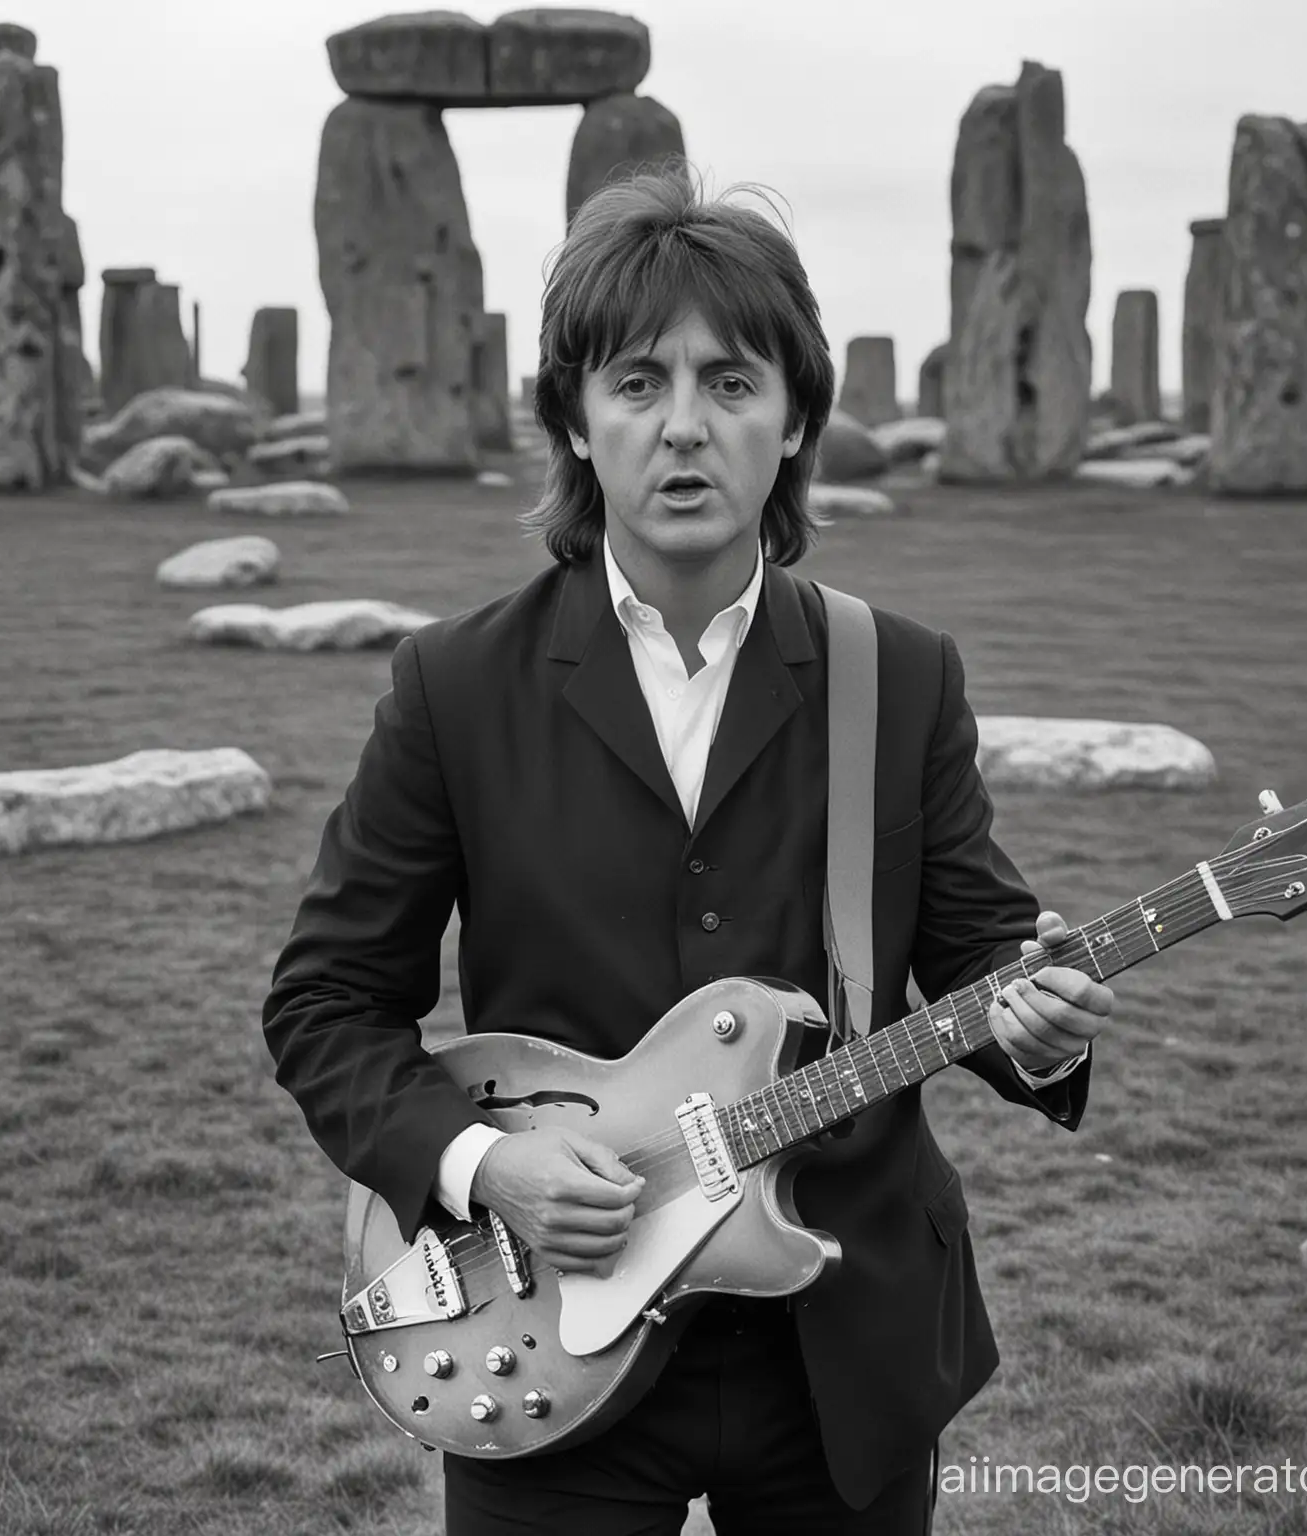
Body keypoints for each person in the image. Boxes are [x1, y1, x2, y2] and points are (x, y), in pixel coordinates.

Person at [262, 166, 1113, 1535]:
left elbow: (982, 960)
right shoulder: (455, 687)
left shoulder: (896, 674)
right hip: (542, 1329)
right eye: (638, 383)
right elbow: (324, 1005)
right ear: (576, 422)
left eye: (731, 384)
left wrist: (1045, 1026)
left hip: (841, 1342)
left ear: (792, 425)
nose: (683, 427)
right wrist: (488, 1168)